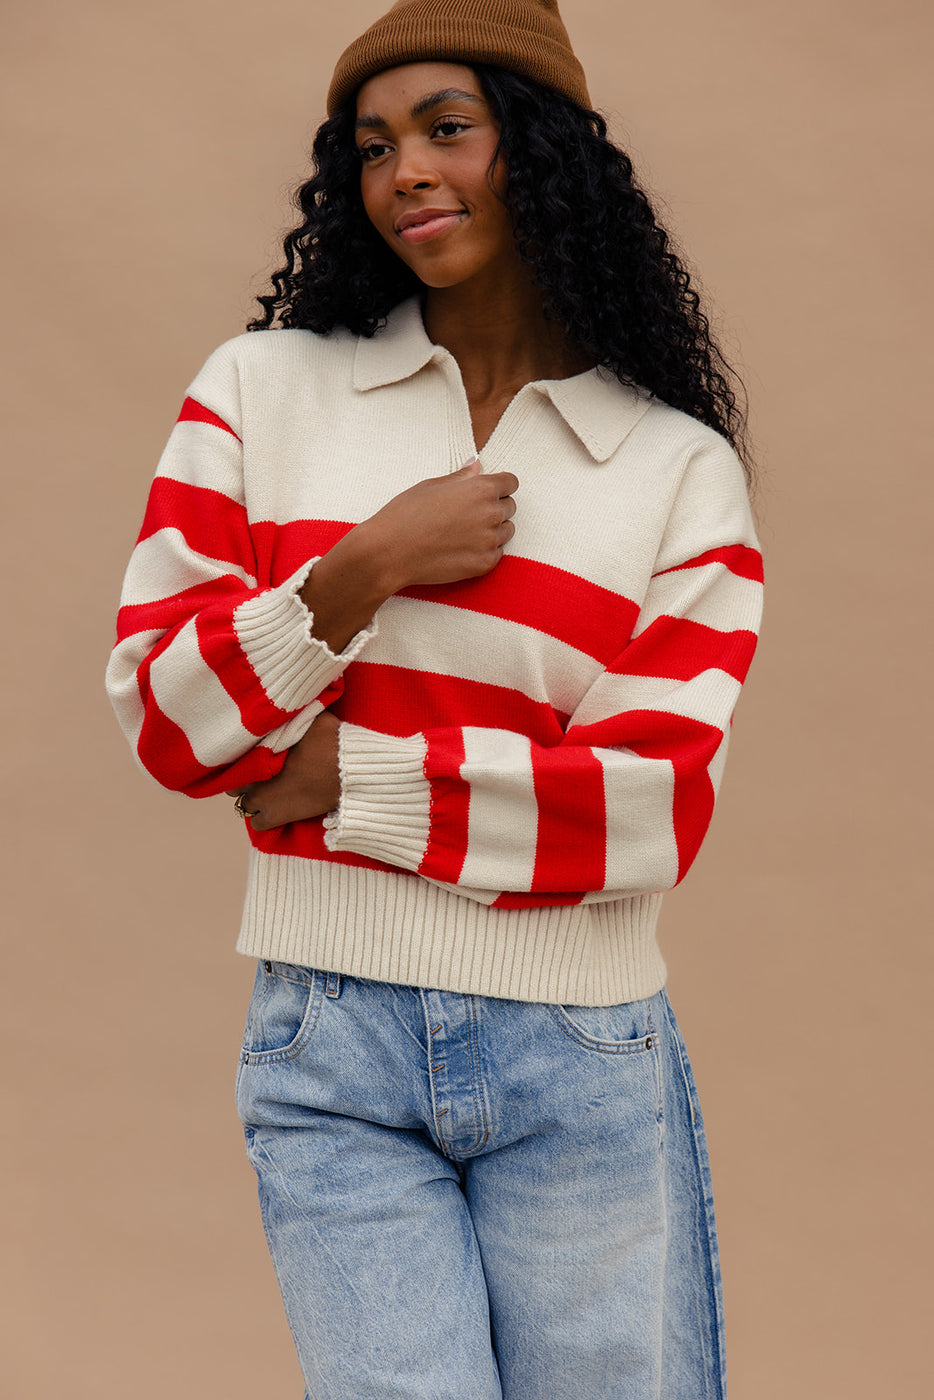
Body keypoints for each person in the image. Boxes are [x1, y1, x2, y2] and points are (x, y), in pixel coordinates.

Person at [106, 1, 763, 1395]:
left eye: (448, 129)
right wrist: (359, 570)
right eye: (372, 144)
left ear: (539, 154)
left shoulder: (673, 468)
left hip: (579, 1055)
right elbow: (170, 721)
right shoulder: (259, 392)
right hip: (327, 1039)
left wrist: (348, 777)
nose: (405, 169)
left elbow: (645, 812)